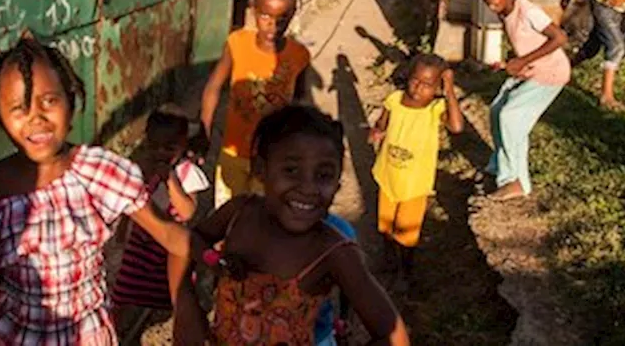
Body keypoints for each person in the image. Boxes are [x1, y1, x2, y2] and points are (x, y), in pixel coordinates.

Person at [0, 37, 192, 346]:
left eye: (49, 101)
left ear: (71, 103)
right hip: (11, 337)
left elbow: (173, 238)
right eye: (19, 108)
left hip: (85, 335)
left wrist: (189, 305)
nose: (37, 118)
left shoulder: (99, 172)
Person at [173, 105, 409, 346]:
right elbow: (188, 240)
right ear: (260, 169)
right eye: (291, 170)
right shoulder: (239, 213)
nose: (308, 188)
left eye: (324, 175)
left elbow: (394, 336)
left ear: (338, 183)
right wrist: (188, 305)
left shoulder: (334, 251)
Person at [201, 0, 311, 204]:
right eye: (265, 16)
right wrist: (204, 130)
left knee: (260, 216)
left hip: (272, 156)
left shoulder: (299, 55)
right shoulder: (237, 43)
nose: (273, 26)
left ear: (292, 15)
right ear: (254, 11)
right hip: (233, 151)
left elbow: (301, 102)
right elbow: (213, 87)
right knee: (228, 211)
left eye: (282, 19)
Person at [368, 54, 465, 291]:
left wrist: (450, 88)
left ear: (437, 87)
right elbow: (383, 122)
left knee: (407, 232)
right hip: (388, 174)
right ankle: (389, 261)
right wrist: (377, 132)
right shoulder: (394, 99)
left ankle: (406, 272)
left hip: (414, 185)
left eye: (427, 84)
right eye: (415, 80)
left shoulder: (435, 109)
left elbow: (457, 126)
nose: (418, 88)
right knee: (385, 225)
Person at [478, 0, 571, 201]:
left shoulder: (527, 10)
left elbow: (559, 38)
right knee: (497, 110)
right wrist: (514, 61)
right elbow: (528, 41)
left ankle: (516, 181)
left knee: (511, 117)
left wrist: (523, 61)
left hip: (551, 73)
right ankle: (499, 165)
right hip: (532, 70)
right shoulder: (504, 12)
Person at [112, 109, 211, 317]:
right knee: (127, 289)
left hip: (170, 247)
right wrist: (122, 228)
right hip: (140, 243)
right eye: (154, 146)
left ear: (184, 144)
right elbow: (130, 199)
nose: (161, 153)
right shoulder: (143, 169)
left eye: (169, 147)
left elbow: (187, 212)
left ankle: (173, 317)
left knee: (171, 290)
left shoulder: (186, 173)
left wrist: (171, 180)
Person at [313, 214, 357, 346]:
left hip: (319, 333)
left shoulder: (340, 232)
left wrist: (344, 318)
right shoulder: (255, 226)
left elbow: (349, 284)